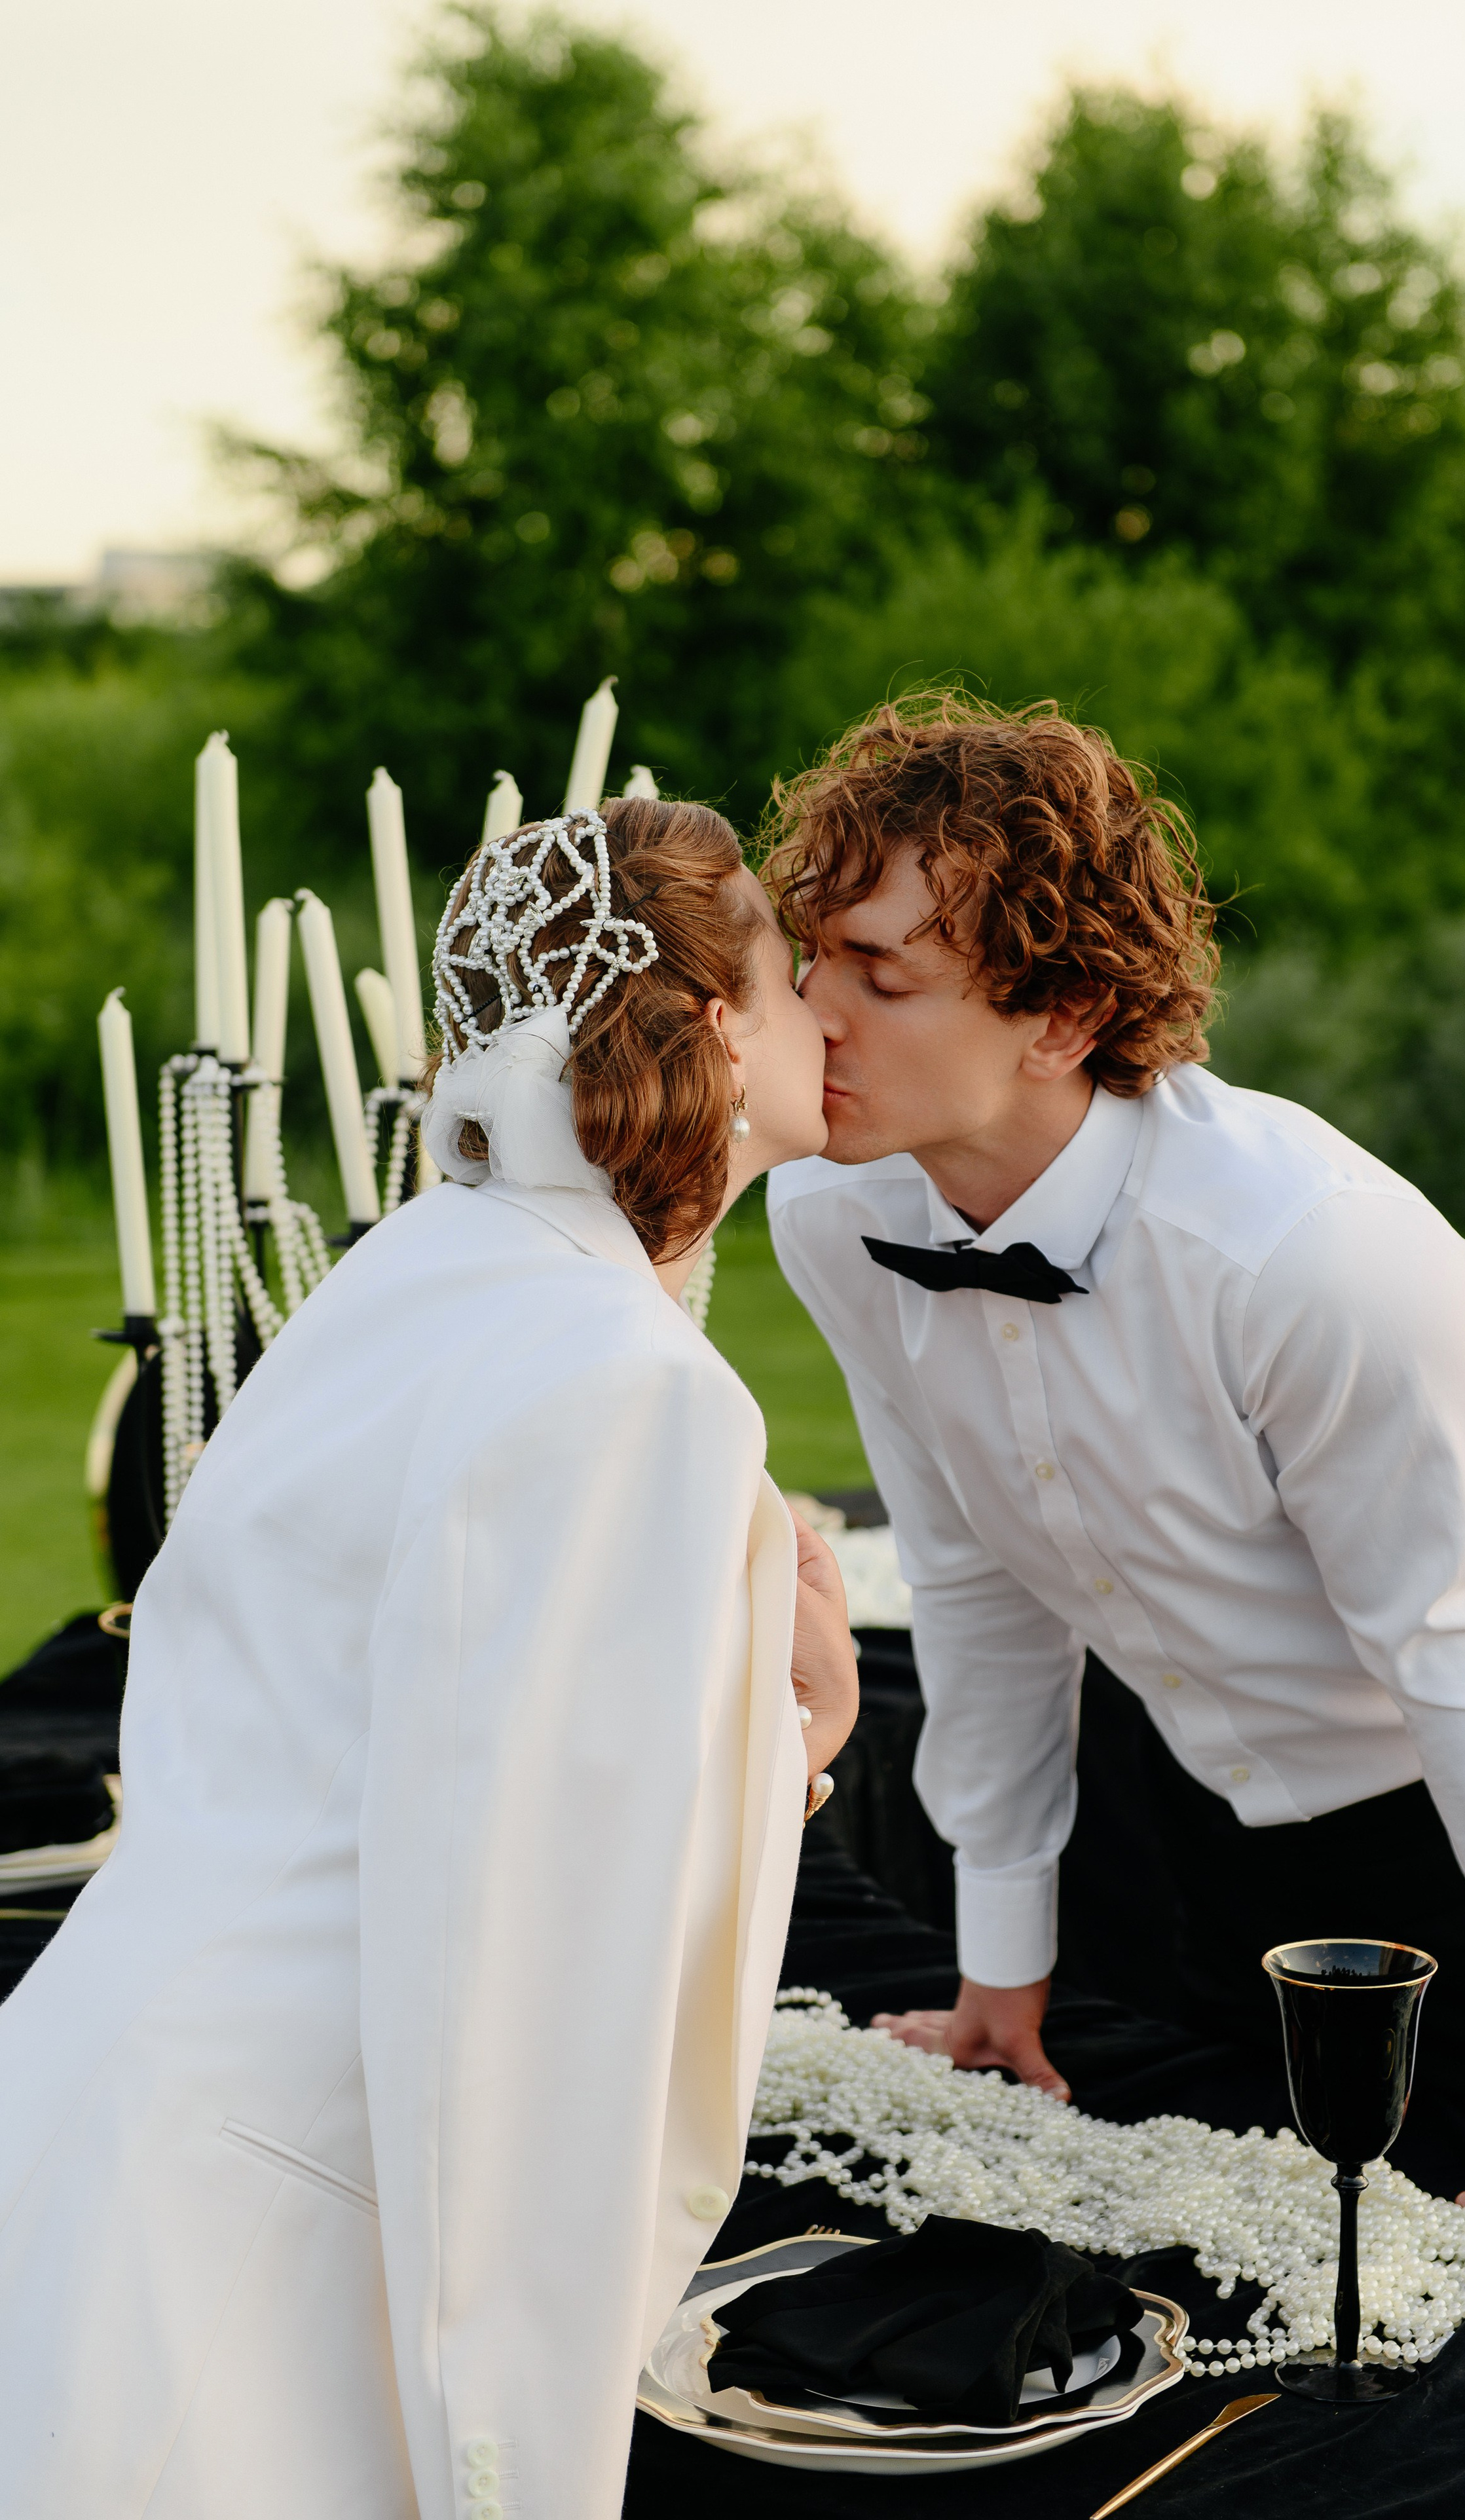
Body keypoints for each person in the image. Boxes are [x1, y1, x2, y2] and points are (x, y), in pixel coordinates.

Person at [0, 798, 858, 2517]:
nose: (826, 1014)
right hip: (275, 2221)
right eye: (789, 975)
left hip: (102, 2089)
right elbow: (532, 1954)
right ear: (706, 1024)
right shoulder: (630, 1385)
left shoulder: (420, 1266)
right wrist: (805, 1729)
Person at [764, 695, 1465, 2233]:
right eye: (810, 955)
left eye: (879, 972)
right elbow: (973, 1573)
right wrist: (1001, 1969)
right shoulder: (832, 1215)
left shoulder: (1307, 1252)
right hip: (1211, 1839)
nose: (811, 1013)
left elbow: (1462, 1671)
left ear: (1057, 1016)